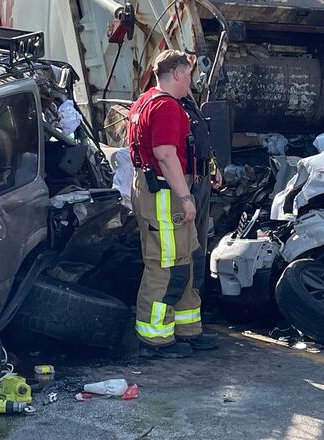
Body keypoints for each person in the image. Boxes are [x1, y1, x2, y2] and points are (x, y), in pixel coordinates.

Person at [128, 50, 220, 358]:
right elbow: (166, 155)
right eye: (189, 75)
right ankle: (155, 338)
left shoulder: (146, 101)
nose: (190, 82)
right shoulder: (166, 107)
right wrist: (185, 197)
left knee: (186, 260)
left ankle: (187, 329)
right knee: (166, 266)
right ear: (178, 74)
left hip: (160, 190)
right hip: (166, 194)